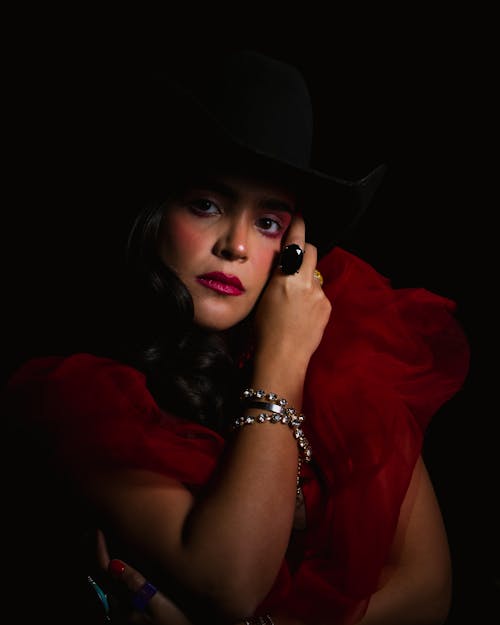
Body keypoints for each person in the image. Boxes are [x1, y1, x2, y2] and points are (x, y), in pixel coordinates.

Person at [1, 49, 470, 625]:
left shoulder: (343, 336)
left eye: (269, 221)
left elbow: (428, 593)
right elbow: (229, 584)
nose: (238, 246)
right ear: (154, 210)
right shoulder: (84, 396)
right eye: (206, 205)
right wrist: (283, 361)